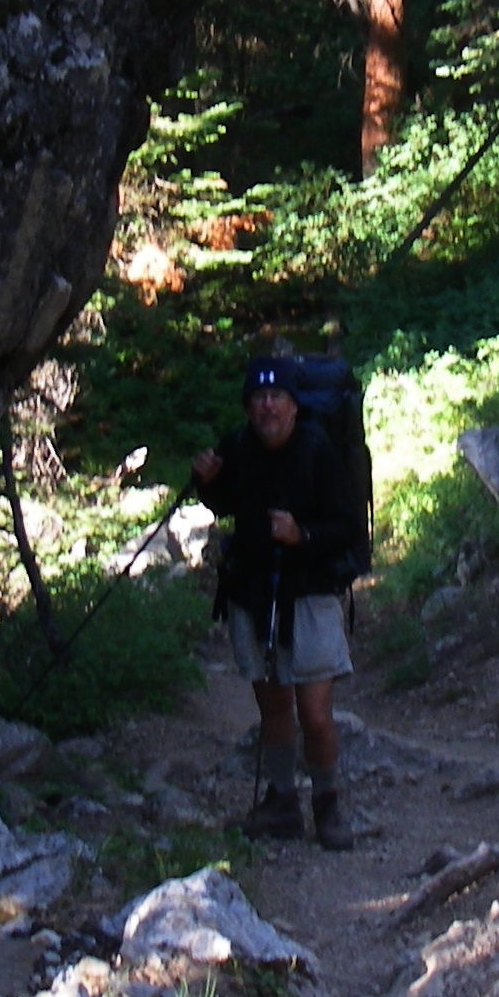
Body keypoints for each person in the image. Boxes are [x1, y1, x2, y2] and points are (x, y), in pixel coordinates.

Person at [191, 355, 362, 850]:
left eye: (277, 397)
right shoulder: (238, 445)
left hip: (309, 593)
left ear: (293, 406)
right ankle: (282, 801)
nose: (267, 405)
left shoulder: (318, 449)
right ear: (249, 406)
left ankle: (327, 804)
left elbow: (347, 525)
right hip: (253, 591)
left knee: (315, 712)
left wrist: (301, 535)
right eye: (259, 397)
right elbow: (225, 503)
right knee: (272, 704)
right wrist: (206, 481)